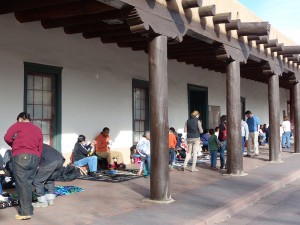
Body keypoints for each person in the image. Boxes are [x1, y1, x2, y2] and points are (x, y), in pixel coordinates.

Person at [4, 112, 43, 220]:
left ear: (20, 119)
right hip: (35, 158)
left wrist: (14, 145)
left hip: (21, 156)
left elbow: (7, 137)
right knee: (28, 185)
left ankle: (25, 213)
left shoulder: (18, 125)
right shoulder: (37, 129)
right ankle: (29, 209)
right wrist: (38, 160)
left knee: (22, 185)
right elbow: (40, 146)